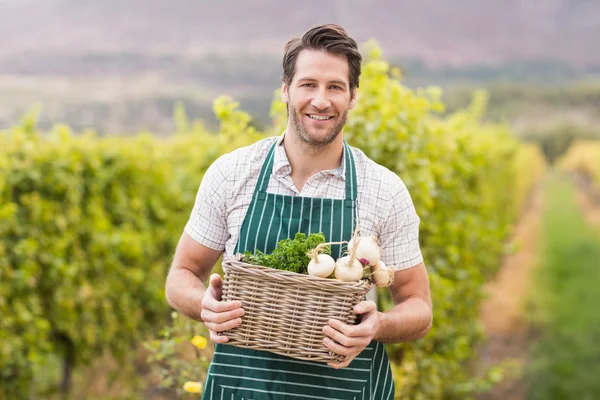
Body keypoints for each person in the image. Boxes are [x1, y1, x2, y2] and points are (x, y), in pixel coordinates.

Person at [165, 23, 433, 400]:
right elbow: (183, 273)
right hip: (244, 388)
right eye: (308, 84)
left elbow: (418, 307)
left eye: (335, 87)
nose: (321, 101)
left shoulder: (384, 190)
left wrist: (379, 325)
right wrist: (204, 305)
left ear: (353, 96)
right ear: (286, 90)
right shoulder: (232, 174)